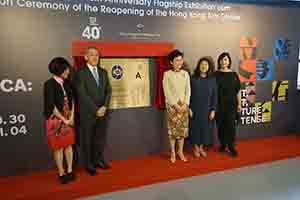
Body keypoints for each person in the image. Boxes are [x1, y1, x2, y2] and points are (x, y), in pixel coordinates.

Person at [75, 47, 112, 176]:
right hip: (88, 113)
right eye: (91, 55)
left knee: (99, 138)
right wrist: (95, 109)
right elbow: (82, 94)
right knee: (88, 139)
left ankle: (98, 160)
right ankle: (89, 164)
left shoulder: (103, 72)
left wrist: (104, 107)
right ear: (86, 57)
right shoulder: (80, 73)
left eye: (97, 55)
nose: (95, 57)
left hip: (103, 112)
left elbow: (108, 91)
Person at [43, 57, 75, 184]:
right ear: (59, 69)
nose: (68, 71)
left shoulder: (68, 83)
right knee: (58, 148)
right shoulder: (49, 84)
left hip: (69, 119)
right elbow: (51, 106)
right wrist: (64, 120)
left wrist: (71, 117)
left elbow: (73, 101)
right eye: (66, 69)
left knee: (68, 145)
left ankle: (70, 170)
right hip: (55, 120)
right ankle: (61, 172)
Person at [163, 49, 191, 163]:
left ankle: (180, 151)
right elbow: (167, 92)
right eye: (176, 60)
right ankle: (173, 152)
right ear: (171, 62)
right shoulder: (167, 74)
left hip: (184, 106)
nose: (179, 62)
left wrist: (186, 104)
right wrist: (175, 105)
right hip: (172, 107)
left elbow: (188, 90)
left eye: (181, 60)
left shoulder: (185, 74)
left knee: (182, 131)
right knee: (173, 131)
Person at [189, 57, 217, 158]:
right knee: (195, 128)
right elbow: (188, 94)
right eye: (202, 64)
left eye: (206, 64)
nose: (203, 66)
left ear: (209, 67)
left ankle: (201, 147)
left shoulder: (212, 80)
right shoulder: (193, 78)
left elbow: (215, 96)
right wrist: (189, 108)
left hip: (207, 109)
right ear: (198, 65)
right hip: (195, 108)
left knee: (205, 129)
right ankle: (196, 148)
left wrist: (213, 109)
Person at [215, 52, 241, 157]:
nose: (223, 61)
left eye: (225, 59)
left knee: (231, 126)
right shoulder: (215, 74)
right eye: (221, 59)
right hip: (219, 104)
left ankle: (231, 146)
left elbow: (238, 90)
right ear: (219, 62)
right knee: (220, 125)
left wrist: (239, 104)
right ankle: (222, 144)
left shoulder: (234, 74)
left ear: (229, 61)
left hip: (231, 104)